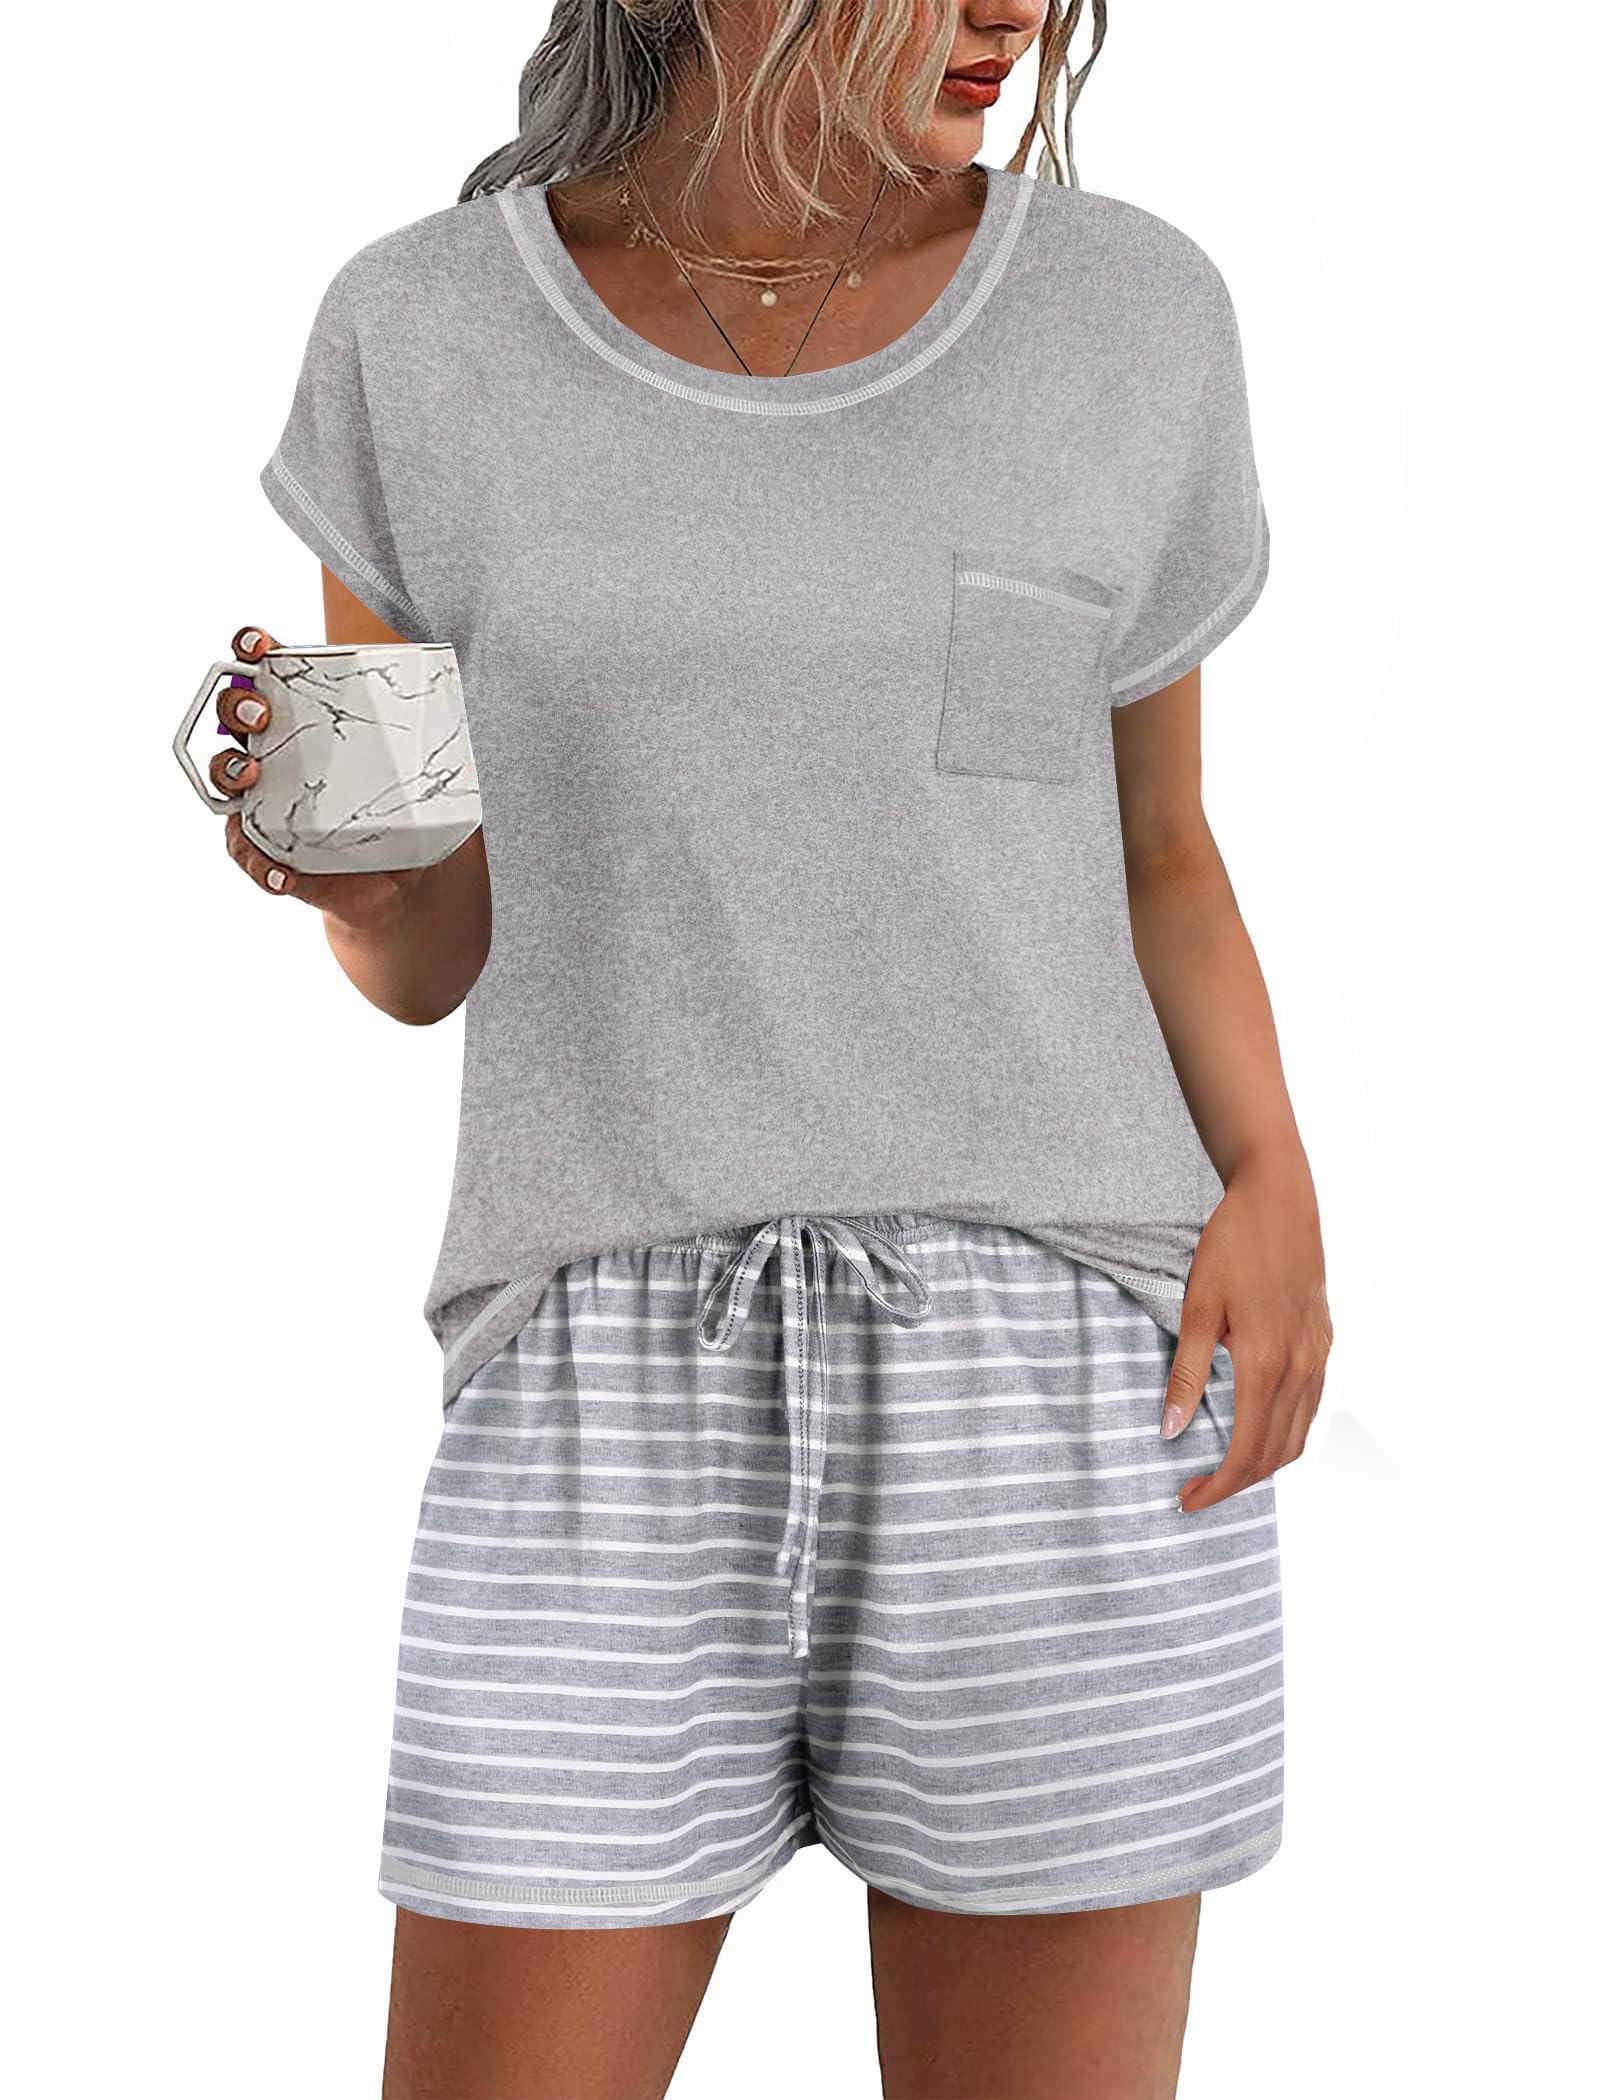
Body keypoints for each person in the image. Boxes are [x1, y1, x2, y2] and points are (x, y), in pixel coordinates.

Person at [215, 0, 1332, 2091]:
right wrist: (355, 886)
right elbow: (429, 957)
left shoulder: (1132, 314)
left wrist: (1276, 1183)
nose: (1016, 15)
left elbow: (1161, 846)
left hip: (1060, 1373)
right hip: (595, 1376)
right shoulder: (419, 335)